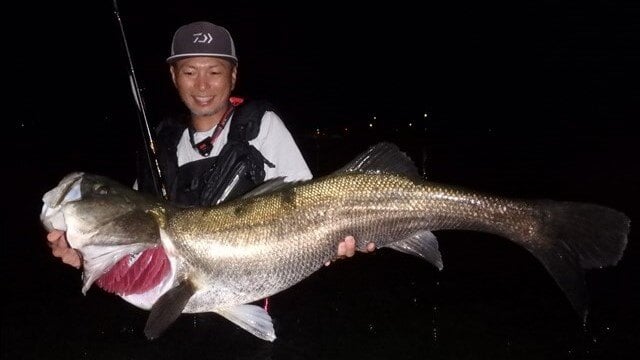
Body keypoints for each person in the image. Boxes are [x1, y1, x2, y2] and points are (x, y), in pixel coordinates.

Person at [47, 21, 375, 272]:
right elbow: (136, 239)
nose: (202, 85)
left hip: (258, 294)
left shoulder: (261, 126)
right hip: (178, 307)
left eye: (214, 71)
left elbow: (311, 207)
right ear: (174, 77)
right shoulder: (161, 146)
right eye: (189, 71)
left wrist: (332, 237)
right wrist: (86, 254)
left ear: (233, 76)